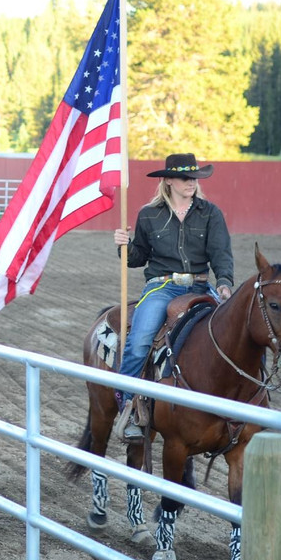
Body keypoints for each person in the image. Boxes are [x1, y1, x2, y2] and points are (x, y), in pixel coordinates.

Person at [113, 153, 234, 440]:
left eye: (194, 177)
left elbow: (221, 254)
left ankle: (237, 404)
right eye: (184, 178)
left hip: (201, 287)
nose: (191, 182)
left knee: (233, 332)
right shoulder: (148, 214)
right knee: (140, 339)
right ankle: (128, 404)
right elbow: (137, 258)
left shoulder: (210, 213)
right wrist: (124, 247)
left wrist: (225, 283)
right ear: (168, 181)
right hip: (161, 287)